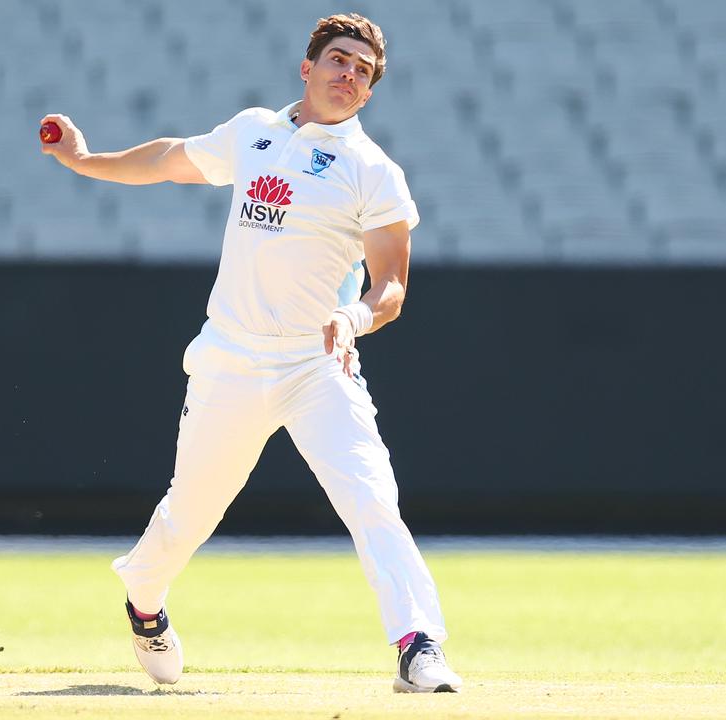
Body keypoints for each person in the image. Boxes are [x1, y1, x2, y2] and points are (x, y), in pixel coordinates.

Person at [39, 13, 463, 693]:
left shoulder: (373, 171)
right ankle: (144, 601)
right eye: (339, 60)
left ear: (370, 91)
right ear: (308, 67)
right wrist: (85, 160)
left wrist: (353, 317)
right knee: (191, 513)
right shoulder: (253, 133)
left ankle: (419, 646)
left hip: (316, 364)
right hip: (231, 358)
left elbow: (391, 287)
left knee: (372, 497)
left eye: (363, 70)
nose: (349, 74)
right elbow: (170, 158)